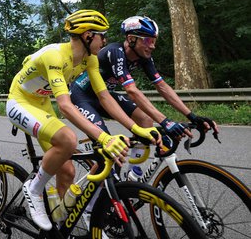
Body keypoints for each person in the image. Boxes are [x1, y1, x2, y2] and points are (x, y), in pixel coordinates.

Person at [7, 10, 159, 231]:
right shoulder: (55, 56)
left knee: (67, 170)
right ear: (88, 35)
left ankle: (59, 226)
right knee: (68, 139)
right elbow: (66, 106)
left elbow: (104, 96)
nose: (105, 40)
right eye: (102, 35)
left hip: (41, 102)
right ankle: (34, 189)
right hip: (20, 101)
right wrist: (105, 138)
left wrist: (137, 128)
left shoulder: (90, 59)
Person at [70, 15, 219, 160]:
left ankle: (133, 173)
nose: (152, 46)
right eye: (148, 40)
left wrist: (192, 116)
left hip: (104, 97)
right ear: (131, 39)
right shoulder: (115, 52)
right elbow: (132, 91)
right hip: (82, 97)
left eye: (154, 41)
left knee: (145, 120)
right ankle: (101, 182)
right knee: (112, 150)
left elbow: (162, 86)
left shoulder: (144, 57)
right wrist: (165, 121)